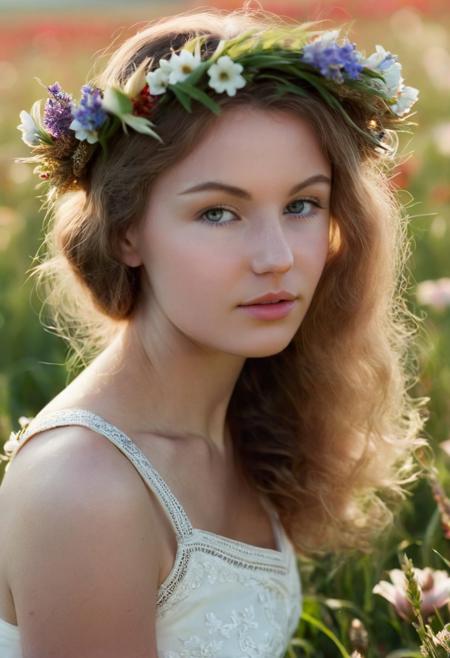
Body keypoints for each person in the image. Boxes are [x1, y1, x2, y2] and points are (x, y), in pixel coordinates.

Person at [0, 5, 429, 657]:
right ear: (127, 231)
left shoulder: (250, 420)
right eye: (219, 212)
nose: (277, 256)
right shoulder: (85, 487)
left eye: (302, 204)